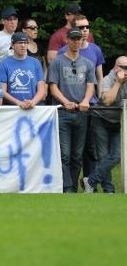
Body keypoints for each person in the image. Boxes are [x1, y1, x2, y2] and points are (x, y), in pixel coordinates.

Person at [48, 28, 96, 193]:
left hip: (81, 113)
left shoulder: (88, 64)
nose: (76, 42)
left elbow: (91, 86)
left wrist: (85, 101)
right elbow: (53, 87)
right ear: (67, 40)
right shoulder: (57, 62)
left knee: (77, 155)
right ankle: (66, 187)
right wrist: (66, 102)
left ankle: (73, 187)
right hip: (63, 113)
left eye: (79, 39)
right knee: (65, 154)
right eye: (73, 39)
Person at [83, 57, 127, 194]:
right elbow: (107, 101)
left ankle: (90, 181)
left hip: (117, 122)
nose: (126, 71)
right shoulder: (107, 79)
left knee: (116, 156)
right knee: (103, 156)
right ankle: (109, 190)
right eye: (123, 67)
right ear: (116, 67)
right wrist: (119, 82)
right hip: (100, 119)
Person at [57, 14, 104, 99]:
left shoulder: (96, 49)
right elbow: (58, 81)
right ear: (73, 29)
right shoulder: (63, 51)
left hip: (91, 102)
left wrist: (100, 99)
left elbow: (100, 78)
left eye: (87, 26)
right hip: (68, 102)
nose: (85, 30)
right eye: (81, 27)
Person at [0, 32, 45, 109]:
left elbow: (42, 89)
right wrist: (18, 103)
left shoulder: (36, 62)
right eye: (19, 43)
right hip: (12, 109)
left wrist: (33, 102)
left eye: (25, 43)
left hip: (33, 107)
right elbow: (2, 90)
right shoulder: (4, 63)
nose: (23, 45)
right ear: (12, 45)